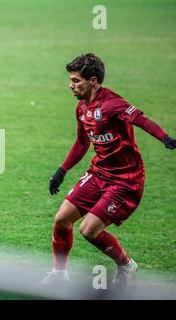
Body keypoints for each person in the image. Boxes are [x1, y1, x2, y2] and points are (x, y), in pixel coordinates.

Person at [44, 53, 176, 289]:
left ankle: (126, 265)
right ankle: (58, 274)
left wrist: (164, 138)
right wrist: (62, 171)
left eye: (76, 81)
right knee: (62, 219)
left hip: (126, 181)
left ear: (93, 81)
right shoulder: (82, 107)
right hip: (99, 173)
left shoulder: (112, 104)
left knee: (88, 229)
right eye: (71, 80)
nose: (70, 86)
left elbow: (141, 120)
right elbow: (82, 142)